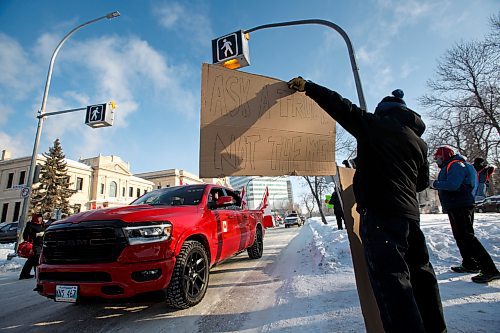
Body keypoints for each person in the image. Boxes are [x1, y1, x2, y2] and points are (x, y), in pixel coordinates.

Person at [288, 77, 446, 333]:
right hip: (411, 219)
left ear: (383, 112)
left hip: (381, 217)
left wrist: (309, 87)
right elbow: (420, 183)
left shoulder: (376, 125)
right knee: (422, 277)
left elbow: (341, 106)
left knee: (393, 285)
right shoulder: (419, 142)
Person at [431, 146, 500, 283]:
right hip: (455, 205)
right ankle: (470, 263)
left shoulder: (456, 165)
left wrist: (434, 183)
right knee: (460, 236)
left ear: (444, 156)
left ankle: (490, 269)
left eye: (438, 157)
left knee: (467, 237)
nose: (436, 160)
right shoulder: (451, 165)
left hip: (461, 205)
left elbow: (453, 185)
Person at [19, 213, 45, 280]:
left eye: (41, 217)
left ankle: (24, 274)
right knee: (36, 258)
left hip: (41, 244)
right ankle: (37, 274)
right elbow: (25, 236)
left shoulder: (42, 224)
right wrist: (36, 234)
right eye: (39, 218)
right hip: (34, 245)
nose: (40, 219)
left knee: (31, 260)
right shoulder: (30, 225)